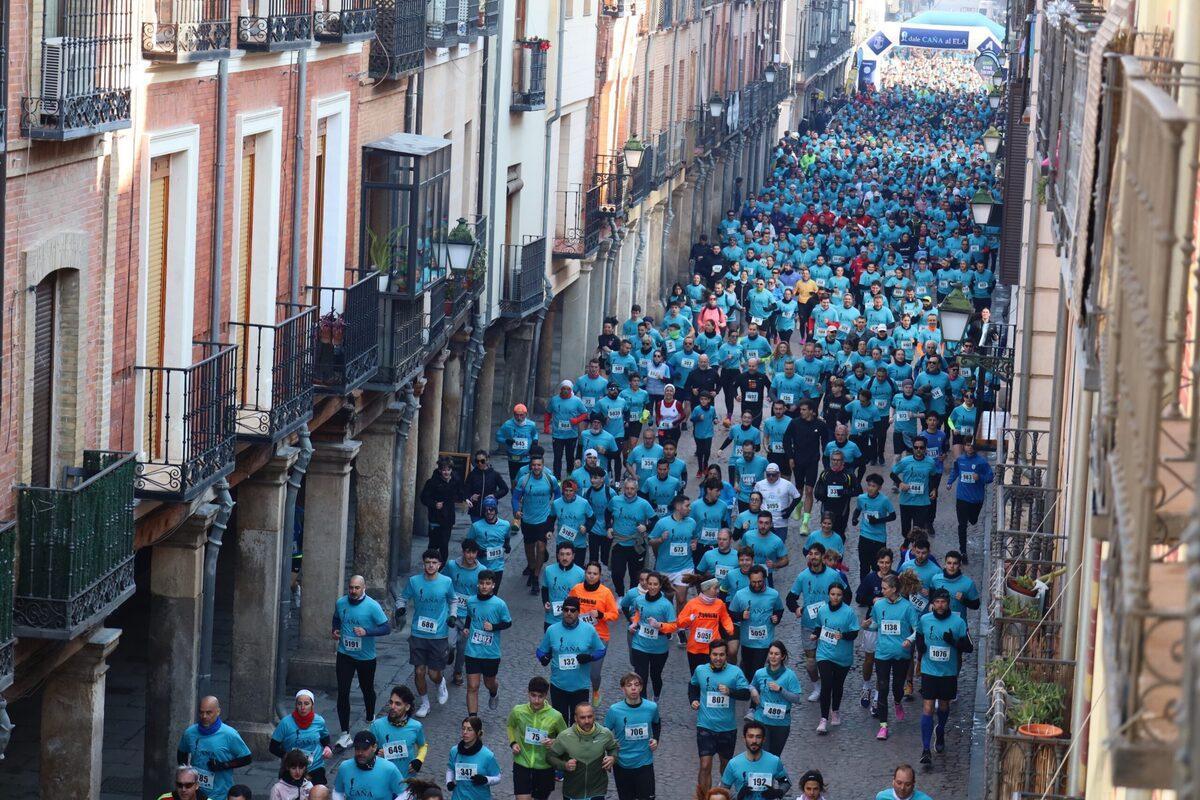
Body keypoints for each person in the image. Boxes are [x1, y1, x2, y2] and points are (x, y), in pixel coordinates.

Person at [916, 588, 973, 765]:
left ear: (948, 603)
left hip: (948, 673)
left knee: (944, 707)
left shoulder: (958, 622)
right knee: (927, 708)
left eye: (943, 602)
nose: (940, 606)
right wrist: (920, 648)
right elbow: (919, 635)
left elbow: (969, 647)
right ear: (932, 603)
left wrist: (954, 642)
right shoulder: (925, 619)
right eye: (937, 602)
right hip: (929, 671)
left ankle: (940, 729)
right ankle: (925, 749)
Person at [786, 545, 849, 702]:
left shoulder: (833, 575)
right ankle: (817, 687)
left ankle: (830, 686)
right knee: (811, 663)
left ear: (822, 556)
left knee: (829, 659)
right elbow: (790, 598)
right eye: (811, 554)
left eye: (816, 554)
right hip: (809, 624)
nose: (813, 557)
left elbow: (847, 594)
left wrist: (839, 612)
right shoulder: (802, 576)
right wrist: (796, 609)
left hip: (830, 625)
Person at [399, 549, 457, 718]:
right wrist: (400, 608)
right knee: (419, 671)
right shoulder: (414, 581)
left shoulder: (446, 582)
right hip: (418, 633)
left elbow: (453, 600)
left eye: (434, 563)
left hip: (439, 634)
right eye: (427, 562)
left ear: (439, 565)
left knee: (434, 673)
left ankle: (440, 683)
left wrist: (452, 616)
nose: (430, 566)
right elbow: (402, 598)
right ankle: (425, 703)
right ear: (423, 564)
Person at [690, 638, 752, 794]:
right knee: (705, 765)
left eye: (722, 655)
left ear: (726, 656)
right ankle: (705, 797)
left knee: (725, 767)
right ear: (709, 655)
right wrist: (694, 700)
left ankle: (722, 795)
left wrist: (731, 692)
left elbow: (746, 694)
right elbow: (693, 686)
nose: (718, 658)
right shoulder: (700, 670)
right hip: (705, 726)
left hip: (727, 728)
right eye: (715, 654)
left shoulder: (735, 672)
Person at [536, 596, 607, 723]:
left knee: (578, 725)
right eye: (566, 610)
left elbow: (601, 650)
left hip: (580, 687)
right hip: (558, 686)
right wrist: (543, 657)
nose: (569, 613)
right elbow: (540, 650)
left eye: (573, 610)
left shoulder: (589, 630)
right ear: (562, 611)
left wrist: (590, 657)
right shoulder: (552, 630)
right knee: (560, 725)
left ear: (578, 612)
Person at [867, 574, 920, 740]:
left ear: (894, 589)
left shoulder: (908, 607)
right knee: (882, 688)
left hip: (901, 655)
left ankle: (897, 702)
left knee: (897, 687)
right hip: (882, 653)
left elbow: (917, 630)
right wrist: (867, 625)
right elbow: (877, 625)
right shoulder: (878, 605)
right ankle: (883, 725)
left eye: (884, 588)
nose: (881, 591)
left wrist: (909, 640)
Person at [176, 697, 252, 800]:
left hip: (219, 795)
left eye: (209, 713)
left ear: (218, 712)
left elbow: (247, 758)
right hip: (196, 794)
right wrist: (185, 775)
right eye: (201, 712)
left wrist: (224, 765)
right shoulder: (190, 733)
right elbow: (182, 752)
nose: (204, 716)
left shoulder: (229, 734)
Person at [506, 677, 567, 800]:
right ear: (528, 693)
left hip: (545, 766)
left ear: (546, 696)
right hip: (522, 763)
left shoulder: (556, 716)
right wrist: (513, 743)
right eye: (533, 696)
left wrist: (555, 742)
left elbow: (566, 737)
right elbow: (510, 726)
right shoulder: (518, 711)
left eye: (540, 696)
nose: (536, 700)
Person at [569, 561, 621, 704]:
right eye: (589, 573)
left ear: (600, 575)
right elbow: (569, 607)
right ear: (585, 574)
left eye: (595, 574)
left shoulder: (605, 593)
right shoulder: (576, 589)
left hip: (599, 637)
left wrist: (601, 615)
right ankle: (579, 696)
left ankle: (596, 690)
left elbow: (615, 615)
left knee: (594, 673)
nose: (591, 576)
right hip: (578, 635)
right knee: (577, 667)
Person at [811, 582, 860, 733]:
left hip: (842, 656)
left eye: (839, 595)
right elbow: (819, 626)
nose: (836, 597)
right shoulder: (823, 610)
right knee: (826, 684)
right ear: (828, 594)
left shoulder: (849, 612)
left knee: (837, 685)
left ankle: (836, 711)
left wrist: (843, 635)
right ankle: (823, 719)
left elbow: (855, 632)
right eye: (833, 594)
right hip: (824, 654)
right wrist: (815, 634)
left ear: (843, 596)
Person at [603, 673, 661, 800]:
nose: (633, 688)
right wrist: (611, 754)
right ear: (623, 689)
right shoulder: (614, 710)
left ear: (641, 687)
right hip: (622, 764)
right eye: (629, 685)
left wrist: (656, 739)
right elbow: (605, 733)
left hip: (644, 764)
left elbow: (657, 723)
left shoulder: (651, 707)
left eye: (636, 685)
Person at [463, 569, 513, 715]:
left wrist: (494, 627)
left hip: (491, 653)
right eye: (482, 583)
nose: (484, 586)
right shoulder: (471, 601)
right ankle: (473, 719)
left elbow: (508, 623)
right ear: (477, 584)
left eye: (487, 583)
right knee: (472, 686)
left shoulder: (499, 604)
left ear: (493, 585)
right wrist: (466, 627)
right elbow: (469, 615)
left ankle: (493, 692)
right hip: (472, 650)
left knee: (489, 683)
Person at [511, 452, 562, 592]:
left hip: (544, 519)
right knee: (529, 549)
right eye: (533, 465)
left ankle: (536, 577)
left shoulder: (550, 479)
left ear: (543, 465)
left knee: (540, 547)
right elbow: (515, 497)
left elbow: (558, 494)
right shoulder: (524, 480)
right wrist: (516, 511)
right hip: (527, 519)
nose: (536, 467)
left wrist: (555, 508)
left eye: (539, 465)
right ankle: (532, 567)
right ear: (530, 466)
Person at [546, 703, 619, 800]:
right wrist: (565, 765)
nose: (587, 721)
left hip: (597, 791)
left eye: (590, 717)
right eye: (582, 717)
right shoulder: (565, 736)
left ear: (594, 716)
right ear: (575, 718)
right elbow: (550, 757)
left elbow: (613, 748)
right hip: (572, 792)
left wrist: (612, 757)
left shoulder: (605, 734)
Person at [626, 571, 678, 700]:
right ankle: (642, 702)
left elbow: (673, 626)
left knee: (655, 675)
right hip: (639, 644)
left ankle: (656, 698)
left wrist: (659, 625)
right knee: (640, 676)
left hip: (659, 648)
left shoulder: (666, 605)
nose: (652, 587)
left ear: (660, 585)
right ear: (646, 584)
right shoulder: (638, 600)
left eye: (655, 584)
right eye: (650, 584)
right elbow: (637, 614)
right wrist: (634, 623)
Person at [727, 565, 784, 681]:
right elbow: (731, 614)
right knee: (748, 671)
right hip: (747, 641)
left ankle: (755, 696)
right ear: (749, 579)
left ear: (765, 579)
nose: (757, 585)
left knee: (757, 670)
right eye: (754, 582)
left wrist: (776, 617)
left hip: (764, 641)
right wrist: (741, 616)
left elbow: (779, 609)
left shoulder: (773, 594)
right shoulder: (740, 595)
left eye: (760, 582)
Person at [748, 641, 803, 756]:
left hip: (781, 723)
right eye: (771, 653)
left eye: (776, 654)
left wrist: (781, 690)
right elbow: (752, 685)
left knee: (774, 758)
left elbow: (797, 698)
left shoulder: (790, 675)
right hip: (762, 719)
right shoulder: (760, 673)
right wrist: (753, 691)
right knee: (763, 755)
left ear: (782, 656)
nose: (773, 657)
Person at [269, 690, 333, 785]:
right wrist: (289, 757)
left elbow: (325, 738)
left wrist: (328, 747)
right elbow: (273, 747)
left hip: (315, 766)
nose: (303, 707)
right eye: (299, 704)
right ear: (296, 705)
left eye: (306, 704)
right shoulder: (285, 723)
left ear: (312, 705)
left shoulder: (319, 721)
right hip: (293, 768)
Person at [445, 540, 485, 686]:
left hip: (469, 616)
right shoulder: (451, 566)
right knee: (450, 643)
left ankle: (457, 672)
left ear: (477, 553)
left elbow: (483, 594)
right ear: (463, 552)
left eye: (473, 552)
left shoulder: (482, 570)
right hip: (452, 612)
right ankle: (449, 653)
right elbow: (443, 581)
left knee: (462, 648)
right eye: (467, 552)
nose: (470, 555)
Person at [676, 577, 737, 673]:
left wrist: (729, 628)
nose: (718, 591)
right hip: (695, 648)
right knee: (696, 675)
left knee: (713, 675)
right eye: (715, 588)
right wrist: (689, 619)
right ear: (706, 589)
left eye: (718, 588)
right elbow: (680, 622)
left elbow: (725, 618)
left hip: (713, 648)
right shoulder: (692, 604)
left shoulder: (719, 603)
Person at [947, 438, 994, 561]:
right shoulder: (960, 459)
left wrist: (980, 477)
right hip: (962, 497)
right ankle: (963, 551)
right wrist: (950, 482)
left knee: (973, 520)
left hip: (976, 499)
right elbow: (956, 470)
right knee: (962, 525)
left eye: (972, 445)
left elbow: (990, 477)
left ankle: (971, 517)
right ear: (964, 446)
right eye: (968, 445)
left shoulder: (981, 462)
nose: (970, 447)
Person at [608, 477, 656, 596]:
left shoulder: (644, 504)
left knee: (636, 575)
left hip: (636, 544)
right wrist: (608, 527)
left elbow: (655, 520)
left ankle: (632, 597)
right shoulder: (615, 500)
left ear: (637, 489)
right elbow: (607, 512)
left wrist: (646, 527)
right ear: (624, 488)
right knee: (617, 573)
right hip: (619, 542)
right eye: (627, 488)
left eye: (632, 489)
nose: (629, 491)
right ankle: (620, 595)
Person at [719, 722, 791, 800]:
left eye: (758, 737)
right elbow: (722, 790)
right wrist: (738, 796)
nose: (754, 741)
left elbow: (785, 782)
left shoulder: (774, 761)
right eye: (750, 736)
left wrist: (778, 792)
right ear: (744, 739)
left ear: (763, 739)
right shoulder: (733, 763)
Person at [890, 436, 939, 547]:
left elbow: (934, 476)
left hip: (922, 502)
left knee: (918, 532)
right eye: (916, 447)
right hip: (906, 501)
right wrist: (900, 483)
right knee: (905, 531)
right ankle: (907, 542)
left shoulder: (930, 462)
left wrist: (934, 489)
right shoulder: (905, 461)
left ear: (925, 449)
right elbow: (892, 474)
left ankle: (914, 552)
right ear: (912, 448)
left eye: (921, 448)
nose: (918, 450)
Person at [369, 685, 428, 776]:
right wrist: (376, 751)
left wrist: (419, 760)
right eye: (391, 702)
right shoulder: (377, 725)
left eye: (398, 704)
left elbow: (423, 746)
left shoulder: (416, 726)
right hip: (383, 778)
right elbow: (367, 749)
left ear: (407, 707)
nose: (392, 706)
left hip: (406, 780)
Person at [332, 730, 406, 799]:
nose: (360, 753)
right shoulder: (345, 767)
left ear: (374, 747)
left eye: (364, 749)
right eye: (357, 748)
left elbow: (404, 793)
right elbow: (338, 791)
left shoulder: (389, 768)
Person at [420, 457, 467, 563]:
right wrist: (434, 504)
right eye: (444, 470)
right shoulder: (432, 482)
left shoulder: (455, 480)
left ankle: (441, 567)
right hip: (435, 518)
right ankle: (430, 563)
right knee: (433, 544)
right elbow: (423, 498)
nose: (446, 472)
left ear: (451, 470)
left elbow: (461, 492)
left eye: (448, 470)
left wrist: (466, 499)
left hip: (448, 518)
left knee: (444, 544)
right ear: (440, 470)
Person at [853, 473, 898, 583]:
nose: (870, 488)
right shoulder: (861, 498)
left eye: (873, 486)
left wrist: (878, 520)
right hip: (864, 537)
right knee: (863, 566)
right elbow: (858, 509)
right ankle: (863, 588)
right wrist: (854, 518)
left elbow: (893, 516)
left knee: (877, 567)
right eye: (869, 485)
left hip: (879, 539)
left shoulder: (884, 500)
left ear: (879, 488)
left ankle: (879, 588)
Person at [445, 717, 502, 799]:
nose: (465, 732)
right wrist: (449, 781)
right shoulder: (454, 751)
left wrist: (485, 780)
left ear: (478, 732)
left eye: (469, 729)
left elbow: (498, 777)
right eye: (463, 728)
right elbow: (450, 769)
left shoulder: (487, 755)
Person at [546, 379, 589, 477]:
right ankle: (557, 479)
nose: (565, 391)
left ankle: (569, 475)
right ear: (560, 389)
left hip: (571, 435)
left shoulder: (576, 401)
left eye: (568, 389)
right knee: (557, 457)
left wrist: (576, 420)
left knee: (570, 458)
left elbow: (585, 414)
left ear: (571, 390)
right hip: (557, 435)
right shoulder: (554, 400)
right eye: (563, 389)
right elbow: (548, 413)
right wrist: (546, 426)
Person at [470, 497, 514, 590]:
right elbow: (467, 543)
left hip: (497, 567)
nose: (489, 512)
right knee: (481, 592)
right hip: (481, 566)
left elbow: (507, 536)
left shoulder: (505, 525)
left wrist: (507, 545)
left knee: (493, 593)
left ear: (496, 510)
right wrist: (477, 551)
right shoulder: (476, 526)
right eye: (486, 510)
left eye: (491, 509)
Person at [541, 542, 585, 632]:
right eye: (562, 554)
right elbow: (545, 588)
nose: (565, 558)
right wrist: (545, 602)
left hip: (572, 619)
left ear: (573, 556)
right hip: (552, 618)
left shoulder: (581, 574)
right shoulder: (548, 570)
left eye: (568, 554)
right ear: (557, 556)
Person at [753, 463, 801, 539]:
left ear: (778, 474)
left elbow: (797, 497)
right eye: (768, 475)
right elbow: (754, 499)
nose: (771, 477)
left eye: (773, 475)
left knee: (780, 545)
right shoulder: (759, 485)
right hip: (764, 522)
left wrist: (790, 510)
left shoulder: (787, 484)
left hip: (781, 523)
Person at [496, 404, 539, 482]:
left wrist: (535, 441)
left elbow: (535, 434)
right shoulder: (507, 424)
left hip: (526, 458)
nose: (519, 418)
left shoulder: (531, 425)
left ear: (526, 414)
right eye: (517, 415)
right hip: (513, 458)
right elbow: (498, 437)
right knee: (514, 481)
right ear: (514, 414)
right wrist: (506, 441)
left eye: (521, 415)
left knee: (525, 481)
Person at [464, 450, 509, 522]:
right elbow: (465, 490)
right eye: (477, 461)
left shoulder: (494, 474)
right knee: (478, 531)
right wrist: (471, 497)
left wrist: (494, 495)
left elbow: (505, 489)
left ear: (487, 460)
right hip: (475, 511)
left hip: (490, 511)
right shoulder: (472, 475)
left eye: (482, 461)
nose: (479, 463)